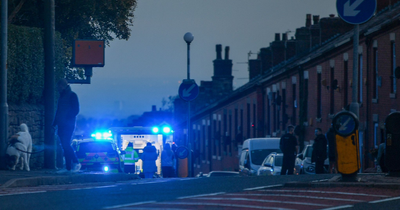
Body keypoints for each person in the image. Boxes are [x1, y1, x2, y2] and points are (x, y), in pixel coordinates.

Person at [53, 79, 81, 173]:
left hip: (68, 124)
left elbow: (76, 109)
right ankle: (69, 167)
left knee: (65, 144)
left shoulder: (72, 95)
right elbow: (58, 111)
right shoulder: (62, 96)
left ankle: (75, 162)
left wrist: (67, 117)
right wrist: (55, 123)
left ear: (63, 86)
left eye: (59, 86)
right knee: (65, 145)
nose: (58, 88)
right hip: (62, 124)